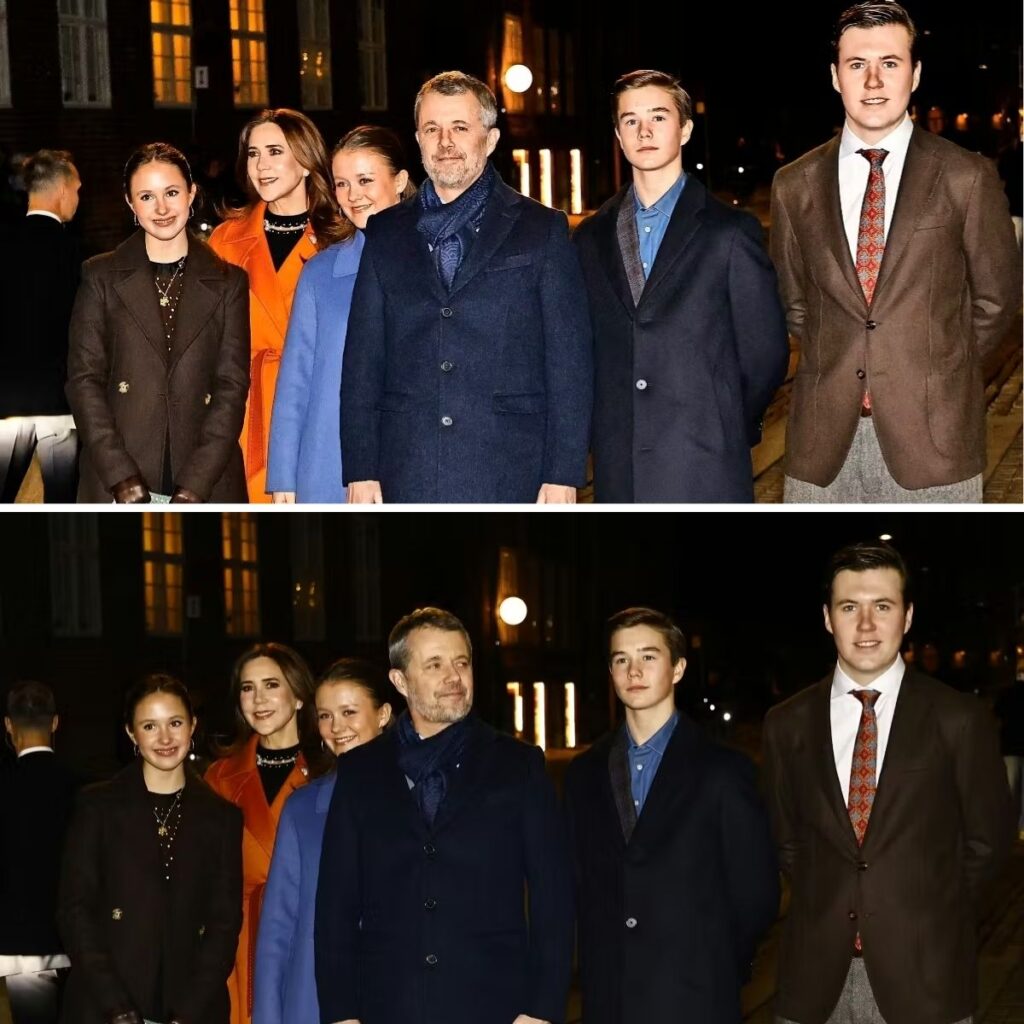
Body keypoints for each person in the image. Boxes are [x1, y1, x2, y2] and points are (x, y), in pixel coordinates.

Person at [770, 2, 1022, 503]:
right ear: (835, 77)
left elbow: (996, 301)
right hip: (822, 446)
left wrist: (935, 370)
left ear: (915, 73)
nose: (873, 81)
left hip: (936, 440)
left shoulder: (967, 177)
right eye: (856, 64)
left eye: (890, 62)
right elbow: (794, 304)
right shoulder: (793, 184)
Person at [762, 541, 1015, 1024]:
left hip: (927, 977)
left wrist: (922, 907)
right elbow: (786, 841)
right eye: (849, 607)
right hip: (814, 982)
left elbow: (988, 842)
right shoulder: (786, 724)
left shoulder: (959, 719)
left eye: (882, 606)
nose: (866, 625)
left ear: (908, 615)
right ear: (827, 618)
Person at [340, 71, 592, 504]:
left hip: (512, 467)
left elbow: (569, 362)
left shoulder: (541, 229)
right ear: (418, 140)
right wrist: (360, 469)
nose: (445, 142)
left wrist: (563, 473)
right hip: (407, 466)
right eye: (431, 129)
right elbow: (362, 361)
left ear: (490, 140)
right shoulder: (386, 232)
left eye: (460, 127)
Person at [315, 607, 574, 1024]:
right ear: (400, 681)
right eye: (434, 665)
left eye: (461, 663)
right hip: (387, 1006)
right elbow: (335, 906)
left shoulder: (518, 765)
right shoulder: (360, 772)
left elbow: (553, 897)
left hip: (496, 1007)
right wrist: (341, 1012)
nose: (454, 676)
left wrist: (542, 1009)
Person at [574, 70, 788, 502]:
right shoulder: (589, 238)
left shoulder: (730, 232)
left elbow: (765, 353)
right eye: (631, 120)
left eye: (658, 117)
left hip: (707, 464)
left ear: (685, 129)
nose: (645, 131)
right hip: (620, 468)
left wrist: (724, 423)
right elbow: (582, 349)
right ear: (618, 136)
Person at [564, 608, 779, 1023]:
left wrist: (717, 967)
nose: (634, 671)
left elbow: (756, 894)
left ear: (677, 668)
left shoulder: (723, 771)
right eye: (621, 659)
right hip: (610, 1001)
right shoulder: (583, 775)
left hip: (696, 998)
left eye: (648, 656)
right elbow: (577, 884)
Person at [66, 142, 249, 503]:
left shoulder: (229, 282)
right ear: (130, 203)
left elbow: (232, 386)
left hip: (207, 477)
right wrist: (119, 475)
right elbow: (84, 381)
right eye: (147, 197)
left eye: (171, 193)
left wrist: (197, 484)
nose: (162, 208)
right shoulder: (100, 276)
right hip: (117, 476)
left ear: (191, 193)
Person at [58, 674, 242, 1024]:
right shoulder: (97, 806)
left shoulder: (222, 817)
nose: (165, 738)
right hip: (104, 1003)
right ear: (132, 733)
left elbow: (224, 923)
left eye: (175, 723)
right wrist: (116, 1006)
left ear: (193, 725)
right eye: (149, 726)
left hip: (191, 1006)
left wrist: (189, 1012)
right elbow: (75, 911)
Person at [267, 126, 413, 503]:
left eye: (365, 180)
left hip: (411, 463)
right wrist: (283, 476)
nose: (352, 195)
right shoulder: (320, 272)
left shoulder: (436, 265)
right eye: (342, 184)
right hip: (327, 463)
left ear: (400, 181)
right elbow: (295, 381)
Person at [209, 109, 348, 503]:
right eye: (253, 154)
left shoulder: (341, 237)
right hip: (245, 412)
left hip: (318, 412)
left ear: (305, 160)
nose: (261, 166)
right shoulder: (225, 240)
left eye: (274, 152)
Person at [252, 659, 396, 1024]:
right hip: (312, 1002)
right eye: (325, 716)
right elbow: (277, 930)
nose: (336, 727)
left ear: (383, 714)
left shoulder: (419, 801)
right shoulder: (302, 808)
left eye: (349, 712)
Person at [204, 644, 323, 1024]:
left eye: (271, 685)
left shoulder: (328, 771)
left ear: (299, 695)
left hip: (310, 937)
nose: (258, 699)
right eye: (247, 688)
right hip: (238, 945)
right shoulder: (220, 777)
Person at [0, 150, 82, 503]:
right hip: (58, 402)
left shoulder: (4, 244)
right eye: (77, 189)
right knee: (61, 504)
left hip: (6, 400)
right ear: (62, 190)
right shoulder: (75, 252)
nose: (78, 198)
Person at [0, 682, 78, 1024]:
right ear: (55, 722)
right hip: (77, 939)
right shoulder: (84, 788)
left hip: (22, 943)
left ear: (8, 724)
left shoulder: (4, 786)